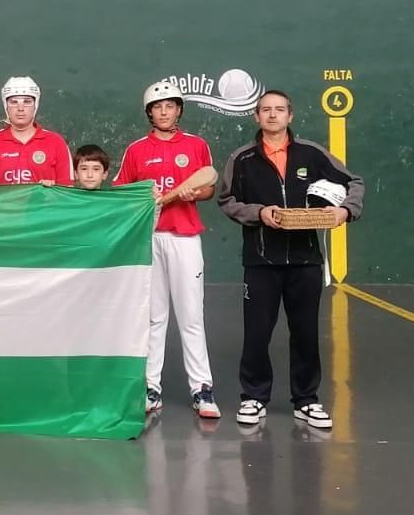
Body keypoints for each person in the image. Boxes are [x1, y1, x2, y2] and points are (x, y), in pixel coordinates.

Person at [217, 89, 364, 429]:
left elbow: (353, 182)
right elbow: (227, 200)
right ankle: (253, 397)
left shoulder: (312, 154)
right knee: (257, 332)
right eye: (265, 110)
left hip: (306, 261)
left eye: (279, 110)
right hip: (261, 261)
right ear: (256, 116)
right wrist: (259, 212)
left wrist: (345, 210)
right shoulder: (242, 159)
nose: (272, 115)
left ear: (290, 116)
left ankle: (306, 400)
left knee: (305, 332)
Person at [115, 79, 220, 421]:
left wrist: (194, 194)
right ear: (149, 113)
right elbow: (123, 192)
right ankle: (151, 387)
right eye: (158, 107)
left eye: (170, 106)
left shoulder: (196, 146)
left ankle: (201, 388)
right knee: (153, 316)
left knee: (190, 316)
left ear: (179, 110)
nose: (164, 111)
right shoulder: (135, 151)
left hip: (185, 238)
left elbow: (207, 186)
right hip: (149, 239)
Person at [0, 76, 74, 186]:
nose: (20, 108)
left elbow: (66, 192)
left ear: (35, 105)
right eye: (14, 102)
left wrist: (52, 193)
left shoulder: (56, 142)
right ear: (6, 106)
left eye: (27, 101)